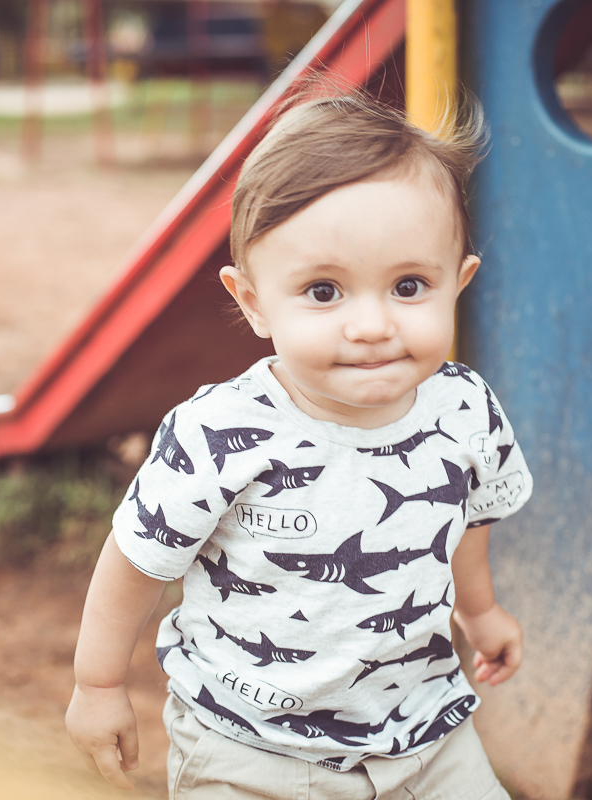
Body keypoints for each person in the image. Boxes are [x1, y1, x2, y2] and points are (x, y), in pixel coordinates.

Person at [65, 92, 534, 799]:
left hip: (426, 736)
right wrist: (98, 684)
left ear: (459, 282)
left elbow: (467, 517)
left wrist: (480, 609)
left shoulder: (466, 407)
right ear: (253, 302)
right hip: (249, 751)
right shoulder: (216, 434)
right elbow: (137, 559)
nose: (372, 325)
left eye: (409, 286)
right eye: (323, 291)